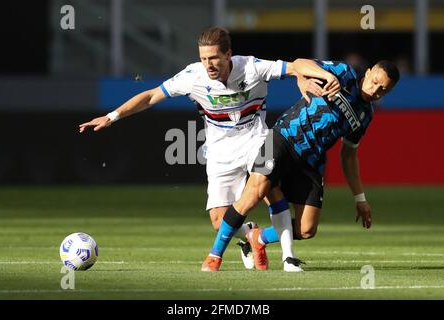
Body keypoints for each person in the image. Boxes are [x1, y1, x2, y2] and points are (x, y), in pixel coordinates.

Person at [79, 26, 340, 271]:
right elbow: (150, 96)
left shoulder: (251, 67)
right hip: (220, 151)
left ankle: (288, 258)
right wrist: (112, 116)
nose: (209, 64)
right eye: (204, 58)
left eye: (214, 58)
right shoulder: (193, 77)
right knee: (219, 221)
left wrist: (304, 77)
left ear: (229, 54)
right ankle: (252, 235)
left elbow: (296, 65)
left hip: (256, 139)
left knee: (267, 188)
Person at [201, 59, 400, 272]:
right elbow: (300, 63)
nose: (375, 90)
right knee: (253, 194)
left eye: (383, 90)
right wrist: (326, 76)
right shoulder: (344, 73)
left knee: (306, 229)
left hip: (312, 160)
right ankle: (214, 256)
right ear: (368, 72)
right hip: (282, 137)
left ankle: (257, 237)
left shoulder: (366, 115)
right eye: (375, 82)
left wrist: (360, 198)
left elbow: (349, 156)